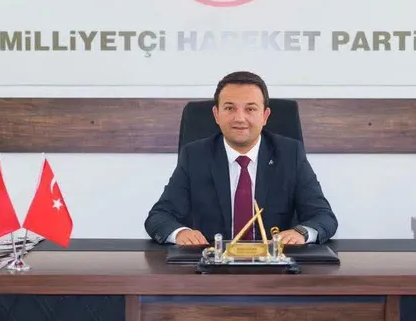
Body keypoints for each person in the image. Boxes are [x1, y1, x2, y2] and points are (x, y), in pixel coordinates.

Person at [144, 71, 338, 246]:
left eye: (250, 109)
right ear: (216, 114)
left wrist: (301, 233)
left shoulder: (289, 154)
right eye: (229, 108)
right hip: (213, 265)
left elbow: (323, 217)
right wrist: (180, 233)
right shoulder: (195, 156)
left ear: (265, 116)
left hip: (273, 266)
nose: (239, 118)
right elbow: (159, 217)